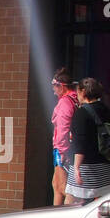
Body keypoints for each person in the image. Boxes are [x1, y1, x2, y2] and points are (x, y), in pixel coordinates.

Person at [66, 77, 110, 205]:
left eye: (78, 92)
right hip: (107, 165)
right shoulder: (107, 110)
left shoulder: (81, 113)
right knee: (101, 204)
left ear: (83, 92)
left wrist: (76, 167)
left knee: (73, 202)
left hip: (86, 167)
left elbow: (80, 142)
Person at [50, 68, 78, 206]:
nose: (53, 90)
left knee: (63, 187)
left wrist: (62, 150)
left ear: (61, 86)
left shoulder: (65, 102)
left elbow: (63, 128)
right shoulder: (75, 99)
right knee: (56, 184)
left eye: (54, 86)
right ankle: (54, 216)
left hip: (62, 149)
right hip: (66, 147)